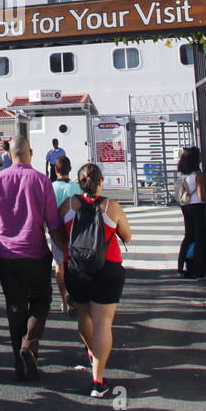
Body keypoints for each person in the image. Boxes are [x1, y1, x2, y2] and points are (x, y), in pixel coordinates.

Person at [0, 135, 68, 381]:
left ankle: (19, 365)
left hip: (4, 254)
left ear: (9, 155)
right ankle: (28, 346)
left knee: (14, 306)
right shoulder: (42, 180)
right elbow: (53, 222)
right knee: (41, 300)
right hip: (35, 252)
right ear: (30, 152)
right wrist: (66, 250)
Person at [63, 163, 132, 398]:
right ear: (101, 181)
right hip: (107, 267)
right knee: (103, 323)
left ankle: (92, 352)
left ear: (79, 182)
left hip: (76, 268)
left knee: (84, 315)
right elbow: (128, 236)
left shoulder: (69, 205)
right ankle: (97, 381)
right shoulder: (111, 206)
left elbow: (57, 230)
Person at [51, 155, 84, 315]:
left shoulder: (51, 187)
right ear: (70, 169)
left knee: (59, 266)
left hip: (57, 232)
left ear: (55, 169)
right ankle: (78, 298)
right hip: (75, 231)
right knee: (76, 266)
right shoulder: (77, 188)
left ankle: (64, 300)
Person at [178, 147, 206, 279]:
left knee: (188, 236)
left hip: (186, 206)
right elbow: (202, 196)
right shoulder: (198, 175)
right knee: (199, 238)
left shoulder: (185, 174)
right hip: (198, 207)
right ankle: (198, 268)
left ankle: (183, 265)